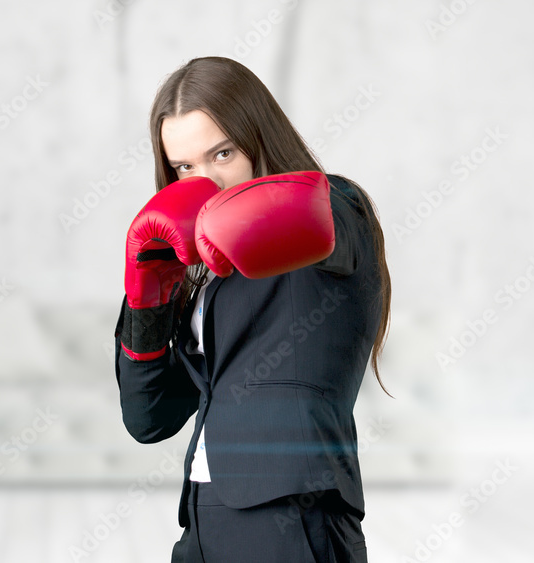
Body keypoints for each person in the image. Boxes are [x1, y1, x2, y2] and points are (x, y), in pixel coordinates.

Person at [113, 56, 391, 562]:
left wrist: (232, 222)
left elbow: (323, 221)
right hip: (203, 509)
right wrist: (147, 296)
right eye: (185, 167)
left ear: (259, 137)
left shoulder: (335, 210)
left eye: (222, 153)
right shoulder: (202, 273)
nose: (206, 182)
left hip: (291, 509)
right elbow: (148, 418)